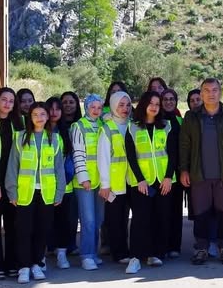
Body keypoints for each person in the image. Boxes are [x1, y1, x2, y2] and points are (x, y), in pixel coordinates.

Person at [179, 78, 223, 265]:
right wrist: (184, 169)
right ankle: (201, 248)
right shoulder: (191, 117)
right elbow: (184, 146)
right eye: (206, 90)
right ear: (201, 94)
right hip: (199, 175)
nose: (211, 93)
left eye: (214, 90)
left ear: (220, 92)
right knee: (201, 215)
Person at [6, 102, 66, 284]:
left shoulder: (55, 139)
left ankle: (37, 264)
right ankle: (23, 267)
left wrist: (59, 192)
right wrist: (12, 192)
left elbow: (59, 168)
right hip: (25, 193)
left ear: (48, 117)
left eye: (42, 114)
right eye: (35, 114)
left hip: (46, 193)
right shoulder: (20, 137)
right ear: (30, 118)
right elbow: (12, 166)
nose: (39, 117)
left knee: (42, 230)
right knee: (24, 231)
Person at [124, 91, 178, 274]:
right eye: (151, 103)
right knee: (140, 219)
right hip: (141, 183)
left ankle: (156, 253)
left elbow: (173, 154)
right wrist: (140, 179)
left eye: (157, 103)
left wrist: (169, 177)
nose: (154, 107)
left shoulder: (167, 126)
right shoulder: (132, 127)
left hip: (163, 181)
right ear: (144, 105)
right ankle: (136, 257)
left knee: (161, 218)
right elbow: (131, 156)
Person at [98, 91, 133, 265]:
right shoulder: (107, 128)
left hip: (131, 182)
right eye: (121, 105)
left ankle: (130, 249)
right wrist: (105, 185)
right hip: (114, 184)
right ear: (113, 106)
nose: (125, 109)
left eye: (128, 105)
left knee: (128, 218)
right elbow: (102, 158)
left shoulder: (133, 124)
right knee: (115, 220)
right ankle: (118, 253)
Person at [72, 94, 106, 270]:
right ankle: (86, 255)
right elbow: (78, 154)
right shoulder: (79, 126)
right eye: (93, 107)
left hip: (100, 181)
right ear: (86, 108)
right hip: (84, 182)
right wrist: (83, 177)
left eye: (99, 108)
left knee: (99, 219)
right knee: (88, 220)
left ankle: (93, 253)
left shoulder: (102, 125)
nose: (96, 111)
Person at [0, 86, 18, 280]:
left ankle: (12, 263)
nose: (7, 104)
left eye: (11, 101)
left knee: (13, 224)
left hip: (13, 182)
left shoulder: (19, 123)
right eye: (4, 100)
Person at [53, 92, 82, 269]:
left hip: (70, 181)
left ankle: (66, 247)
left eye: (72, 102)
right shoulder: (42, 129)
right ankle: (52, 248)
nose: (68, 105)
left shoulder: (72, 127)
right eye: (65, 102)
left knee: (69, 218)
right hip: (47, 183)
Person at [161, 88, 185, 258]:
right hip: (161, 172)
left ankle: (174, 246)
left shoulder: (180, 120)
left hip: (178, 171)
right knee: (162, 210)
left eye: (172, 99)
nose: (169, 102)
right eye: (165, 99)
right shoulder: (156, 121)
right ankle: (162, 244)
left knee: (176, 210)